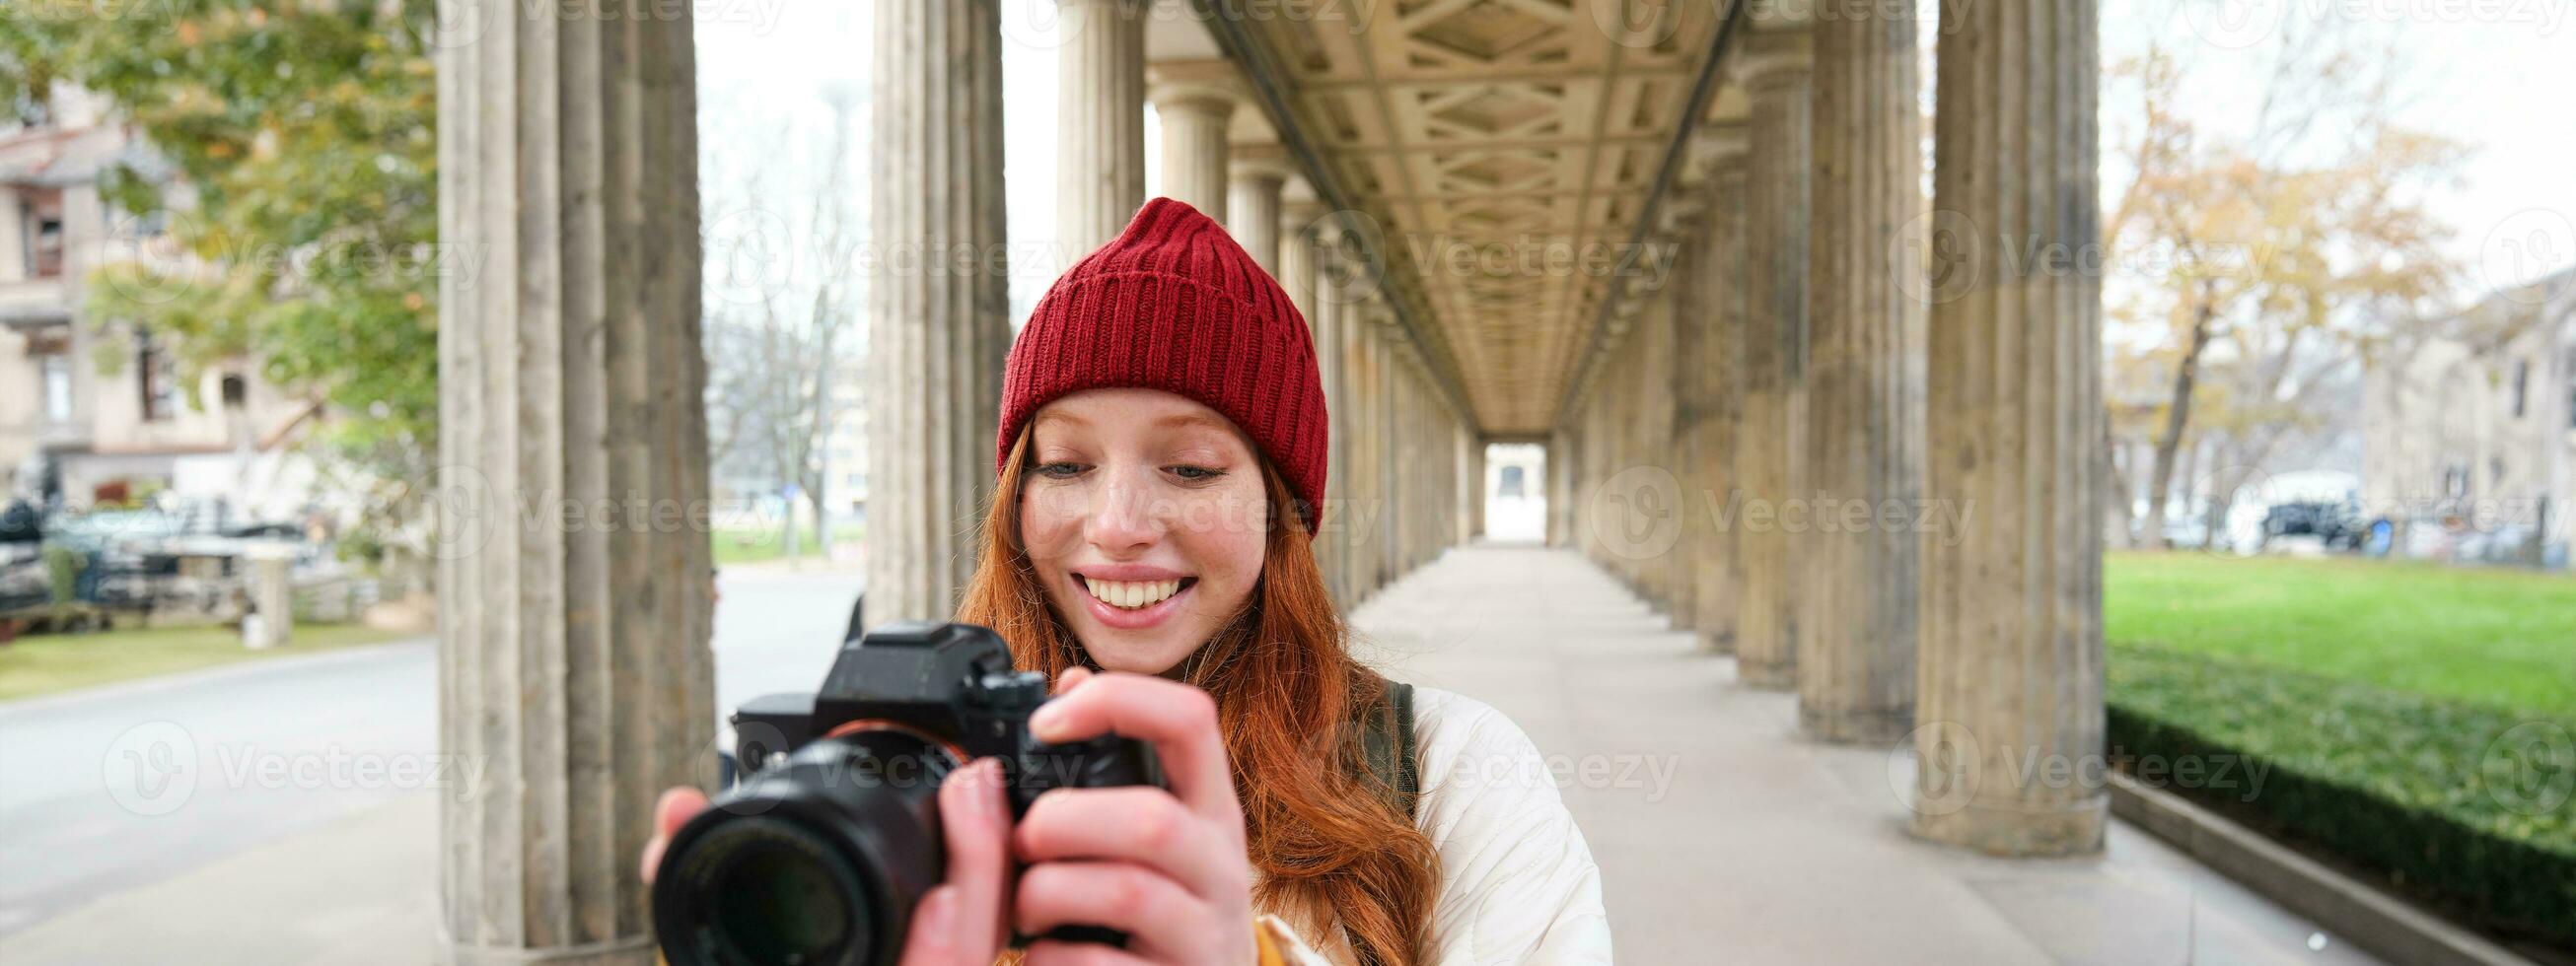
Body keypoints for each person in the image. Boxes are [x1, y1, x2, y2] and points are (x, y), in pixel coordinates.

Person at [643, 198, 1610, 965]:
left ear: (1283, 511)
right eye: (1062, 465)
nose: (1114, 525)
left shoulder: (1449, 773)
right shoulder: (890, 769)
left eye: (1189, 468)